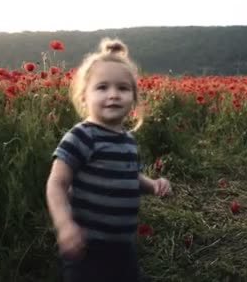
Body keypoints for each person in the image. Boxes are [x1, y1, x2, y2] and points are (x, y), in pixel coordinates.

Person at [45, 37, 172, 282]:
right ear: (84, 96)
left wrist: (153, 184)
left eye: (123, 88)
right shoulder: (82, 136)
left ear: (134, 98)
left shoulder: (127, 140)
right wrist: (64, 225)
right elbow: (56, 183)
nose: (113, 95)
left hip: (123, 247)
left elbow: (129, 176)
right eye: (102, 87)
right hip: (86, 248)